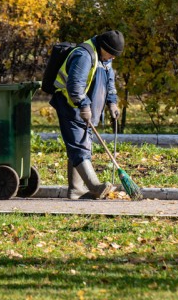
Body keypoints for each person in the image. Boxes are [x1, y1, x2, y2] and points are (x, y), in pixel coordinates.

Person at [50, 30, 124, 199]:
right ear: (104, 47)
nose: (113, 58)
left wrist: (112, 102)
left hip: (88, 109)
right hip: (70, 105)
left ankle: (76, 189)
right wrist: (83, 105)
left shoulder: (105, 59)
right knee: (79, 146)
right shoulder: (84, 55)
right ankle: (94, 186)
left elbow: (109, 80)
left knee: (82, 144)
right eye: (111, 54)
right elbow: (75, 85)